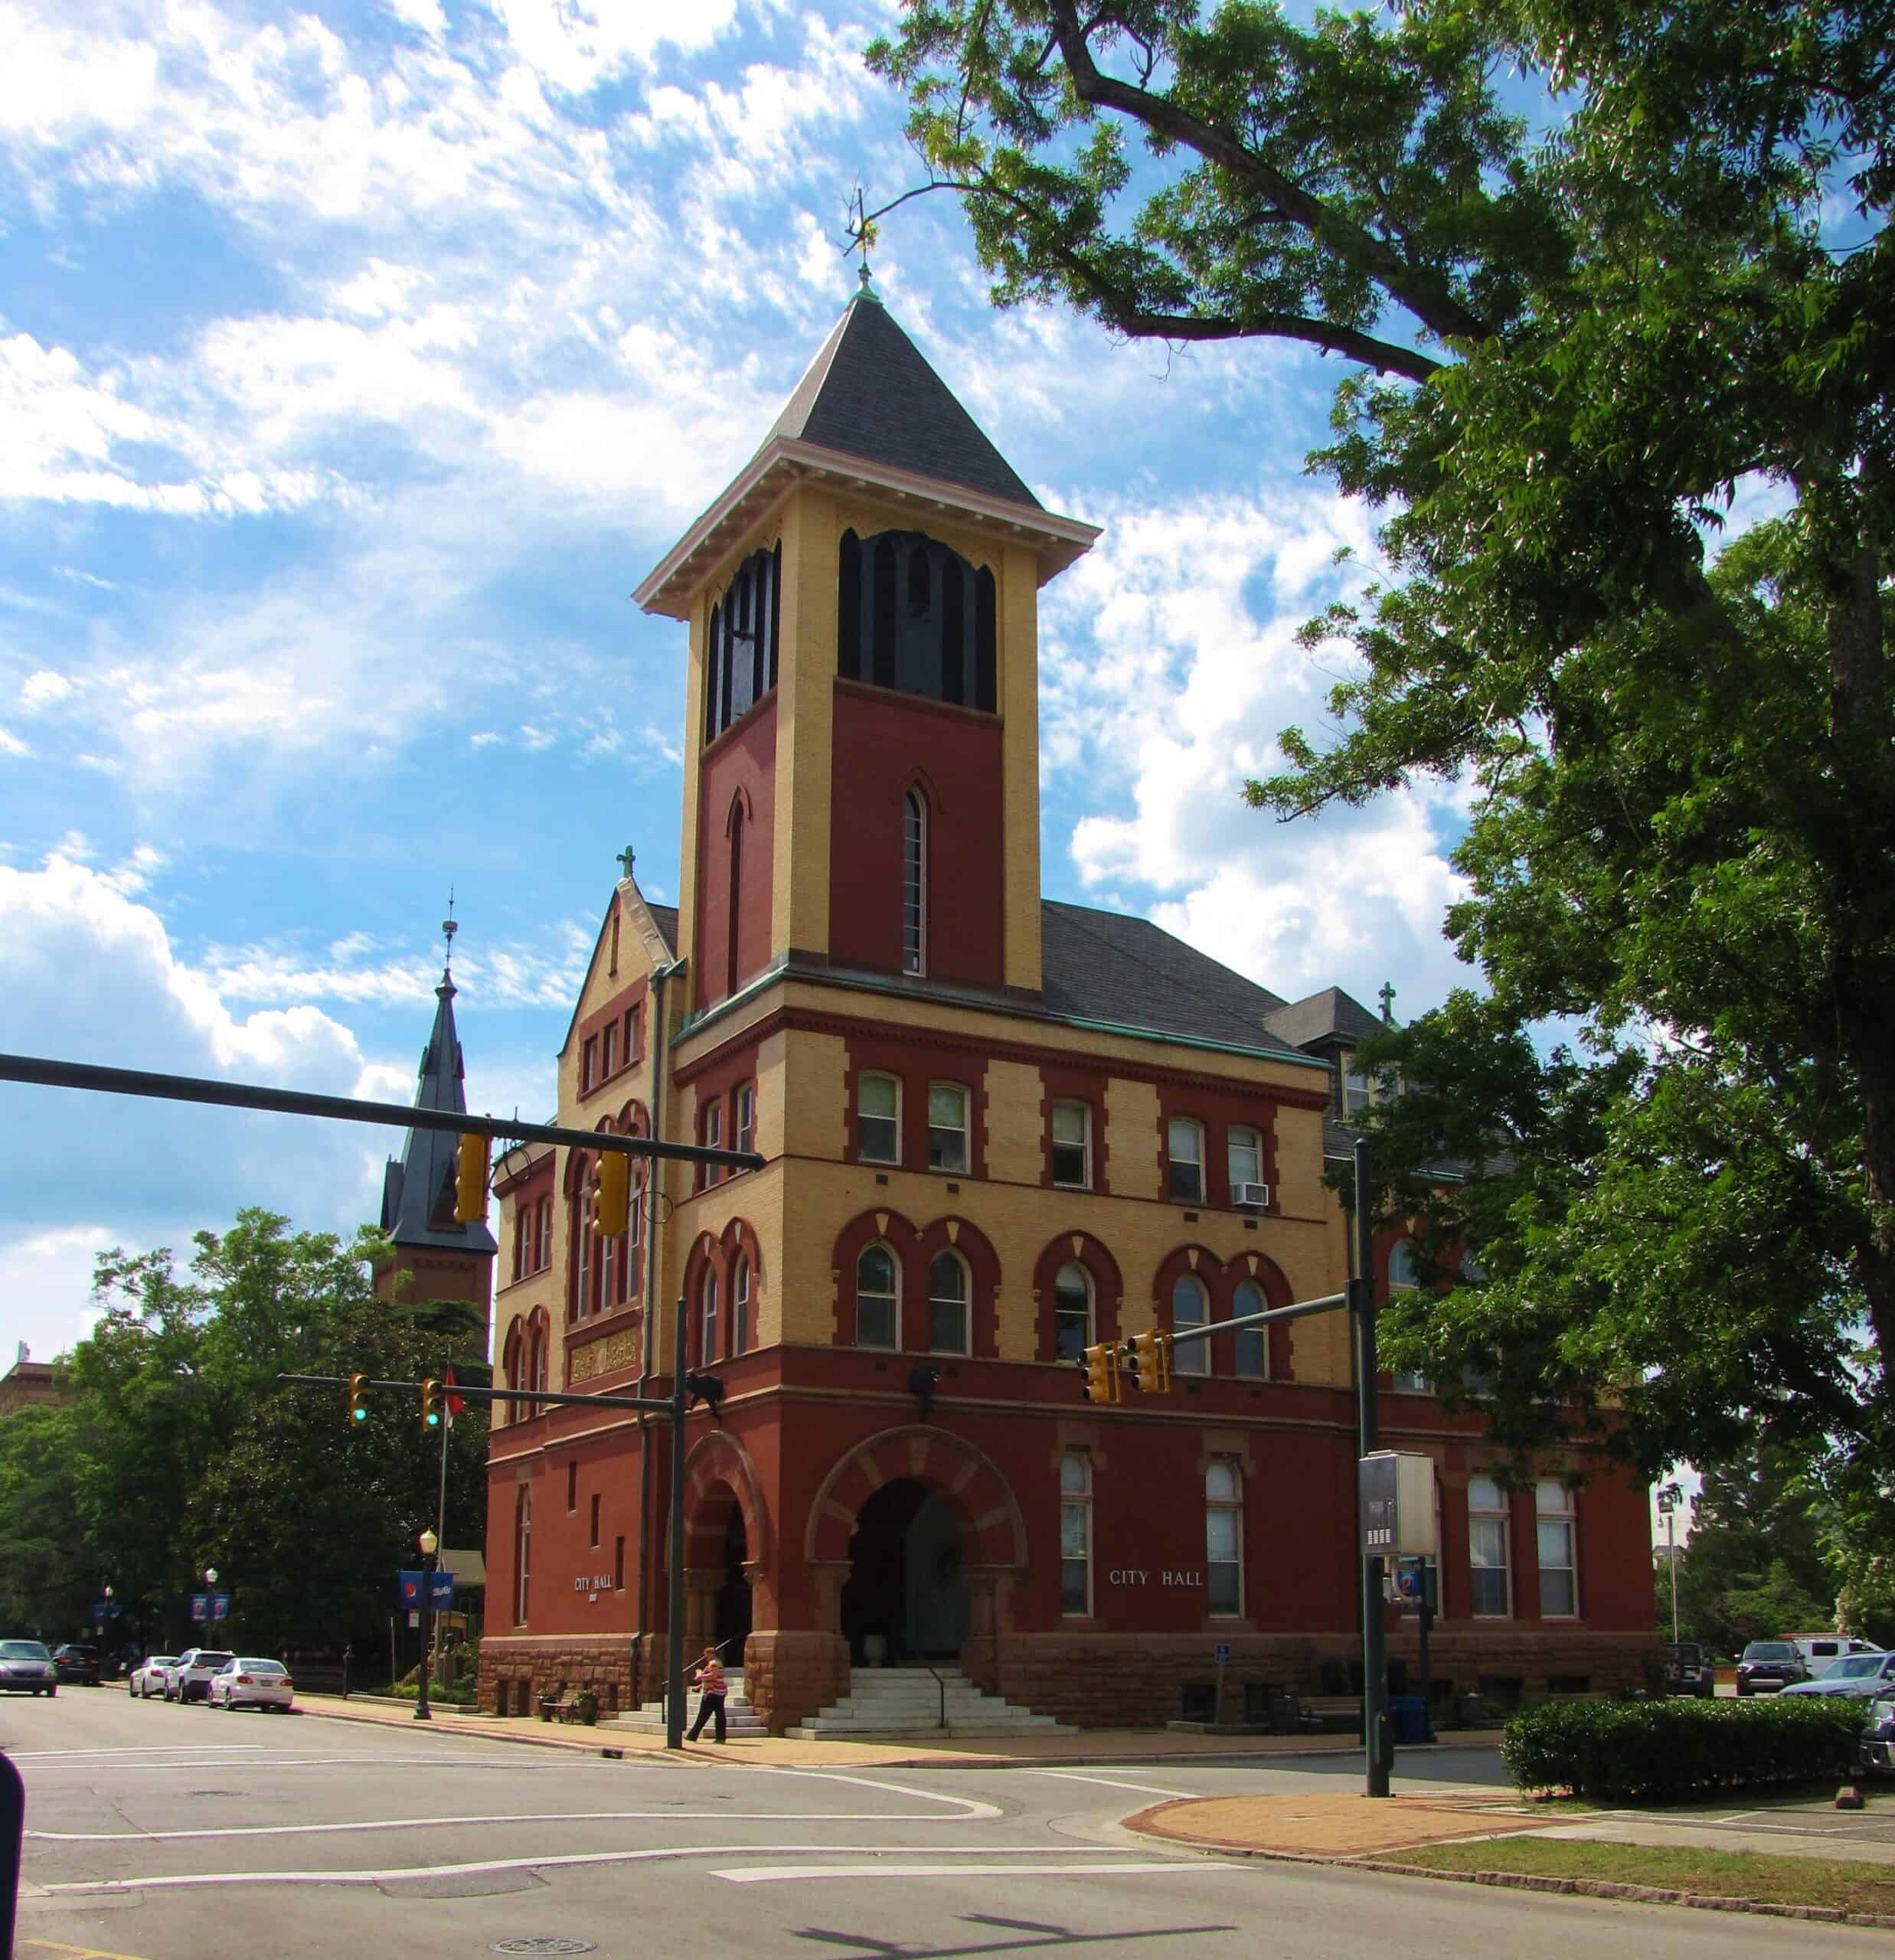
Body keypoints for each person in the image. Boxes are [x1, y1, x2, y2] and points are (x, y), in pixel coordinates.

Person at [686, 1645, 727, 1743]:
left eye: (706, 1655)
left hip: (712, 1692)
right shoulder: (716, 1663)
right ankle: (720, 1738)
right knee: (720, 1715)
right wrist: (699, 1686)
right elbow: (713, 1677)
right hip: (719, 1692)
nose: (705, 1657)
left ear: (711, 1654)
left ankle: (692, 1735)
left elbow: (713, 1675)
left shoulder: (714, 1663)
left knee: (703, 1715)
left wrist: (700, 1677)